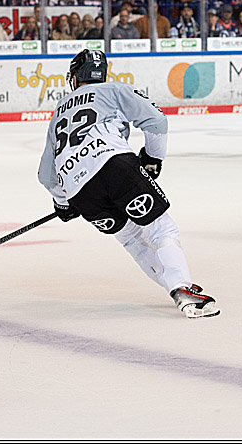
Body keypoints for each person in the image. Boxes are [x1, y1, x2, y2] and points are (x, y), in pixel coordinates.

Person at [37, 49, 219, 318]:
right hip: (114, 164)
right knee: (161, 227)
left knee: (133, 239)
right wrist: (153, 158)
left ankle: (176, 287)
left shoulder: (59, 112)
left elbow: (47, 175)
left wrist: (63, 203)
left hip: (79, 190)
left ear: (75, 77)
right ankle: (182, 289)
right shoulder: (112, 90)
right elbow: (156, 120)